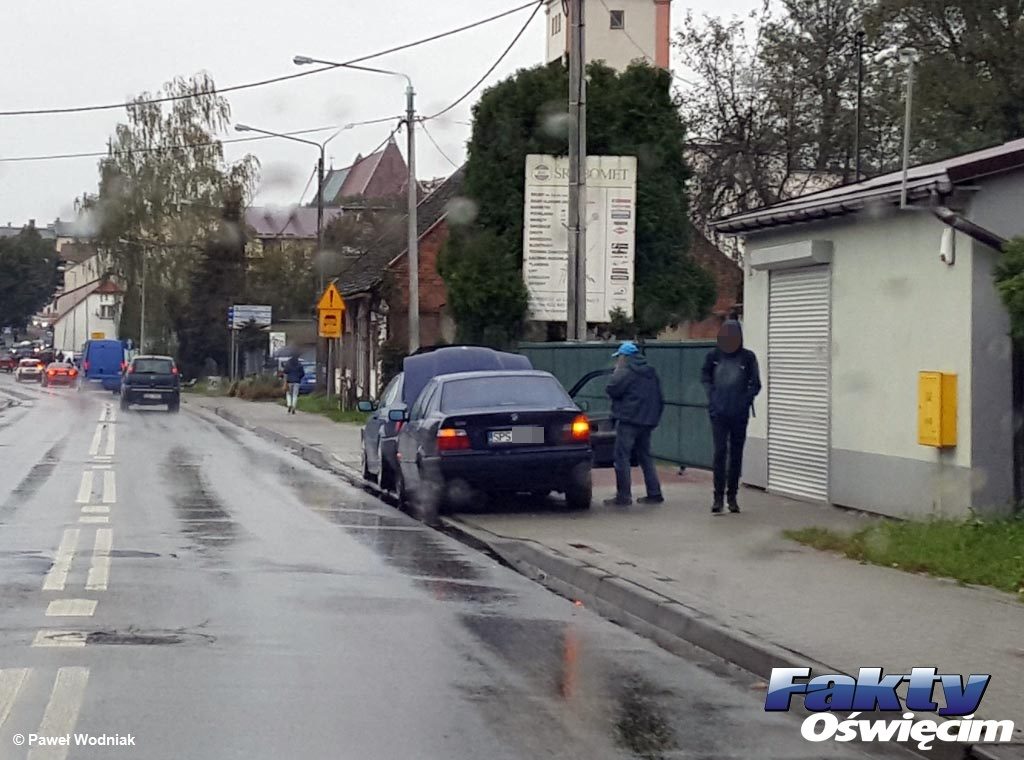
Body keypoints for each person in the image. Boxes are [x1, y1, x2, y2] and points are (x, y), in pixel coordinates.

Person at [701, 319, 761, 514]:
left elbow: (756, 383)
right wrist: (712, 395)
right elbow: (705, 376)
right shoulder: (714, 356)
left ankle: (732, 496)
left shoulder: (747, 357)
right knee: (719, 453)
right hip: (719, 412)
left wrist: (745, 400)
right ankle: (718, 497)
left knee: (736, 455)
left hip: (739, 413)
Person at [604, 341, 664, 507]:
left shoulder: (626, 372)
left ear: (624, 357)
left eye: (619, 358)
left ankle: (623, 496)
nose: (618, 361)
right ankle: (655, 492)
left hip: (629, 420)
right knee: (646, 457)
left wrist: (616, 372)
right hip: (648, 421)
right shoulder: (651, 373)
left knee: (621, 457)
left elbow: (612, 389)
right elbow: (659, 397)